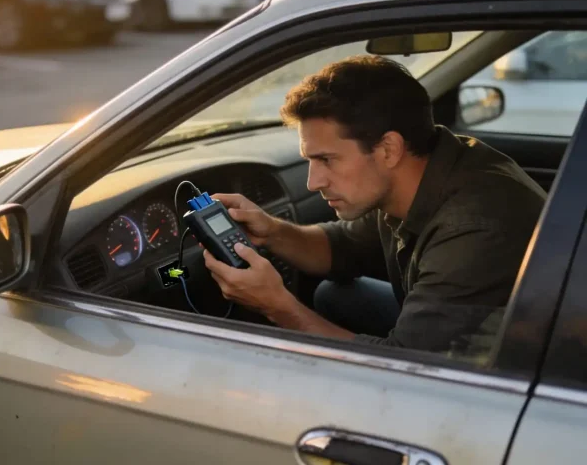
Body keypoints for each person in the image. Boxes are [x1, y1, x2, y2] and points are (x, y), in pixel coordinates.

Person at [203, 55, 546, 354]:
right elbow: (342, 246)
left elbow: (406, 366)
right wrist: (271, 231)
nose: (313, 182)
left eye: (326, 160)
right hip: (463, 332)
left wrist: (277, 307)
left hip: (513, 373)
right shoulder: (422, 173)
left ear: (388, 149)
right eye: (310, 161)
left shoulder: (472, 228)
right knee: (336, 295)